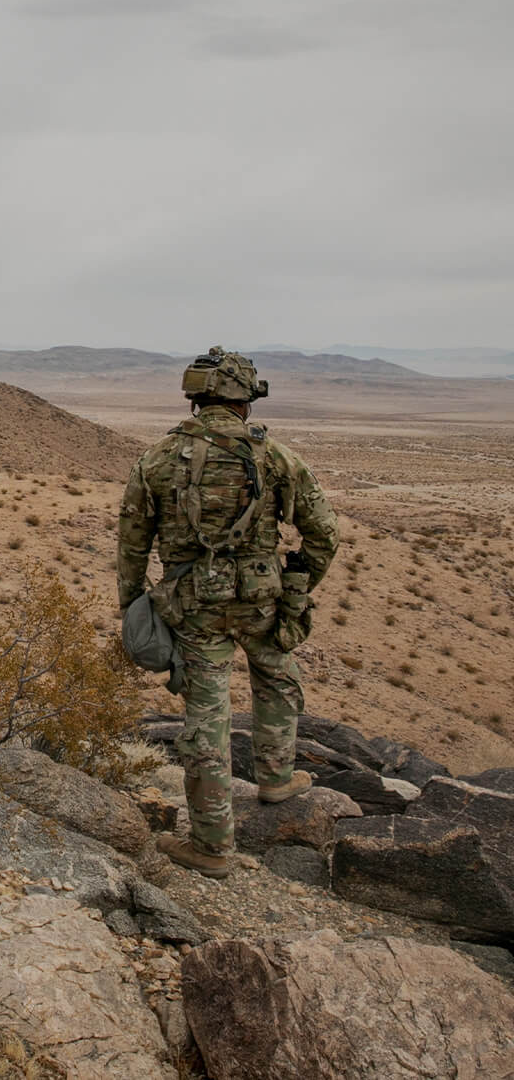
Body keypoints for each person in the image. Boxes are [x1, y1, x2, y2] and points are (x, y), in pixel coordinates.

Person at [117, 347, 340, 878]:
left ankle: (213, 846)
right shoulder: (276, 456)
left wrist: (134, 609)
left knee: (207, 720)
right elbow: (324, 533)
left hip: (194, 608)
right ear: (246, 398)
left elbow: (131, 545)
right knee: (277, 676)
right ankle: (276, 777)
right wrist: (299, 584)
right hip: (264, 600)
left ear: (195, 396)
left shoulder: (157, 459)